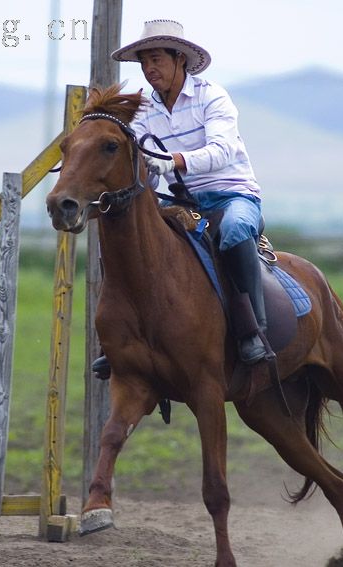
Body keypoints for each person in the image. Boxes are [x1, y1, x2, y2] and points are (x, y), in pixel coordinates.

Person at [93, 19, 267, 378]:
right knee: (127, 239)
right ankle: (119, 340)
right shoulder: (143, 111)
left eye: (156, 59)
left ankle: (254, 331)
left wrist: (172, 161)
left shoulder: (212, 96)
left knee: (234, 231)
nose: (149, 68)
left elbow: (221, 151)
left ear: (180, 59)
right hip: (180, 204)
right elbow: (138, 157)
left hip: (232, 196)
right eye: (144, 62)